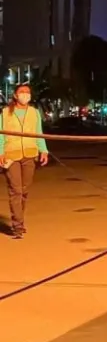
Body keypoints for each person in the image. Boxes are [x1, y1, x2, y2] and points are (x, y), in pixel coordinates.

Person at [0, 84, 49, 238]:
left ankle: (19, 220)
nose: (25, 95)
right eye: (22, 92)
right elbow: (1, 134)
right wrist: (0, 152)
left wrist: (44, 150)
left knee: (24, 191)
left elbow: (38, 132)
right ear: (15, 95)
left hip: (29, 154)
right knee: (16, 191)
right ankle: (18, 226)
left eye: (27, 92)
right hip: (11, 156)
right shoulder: (5, 112)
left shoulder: (34, 112)